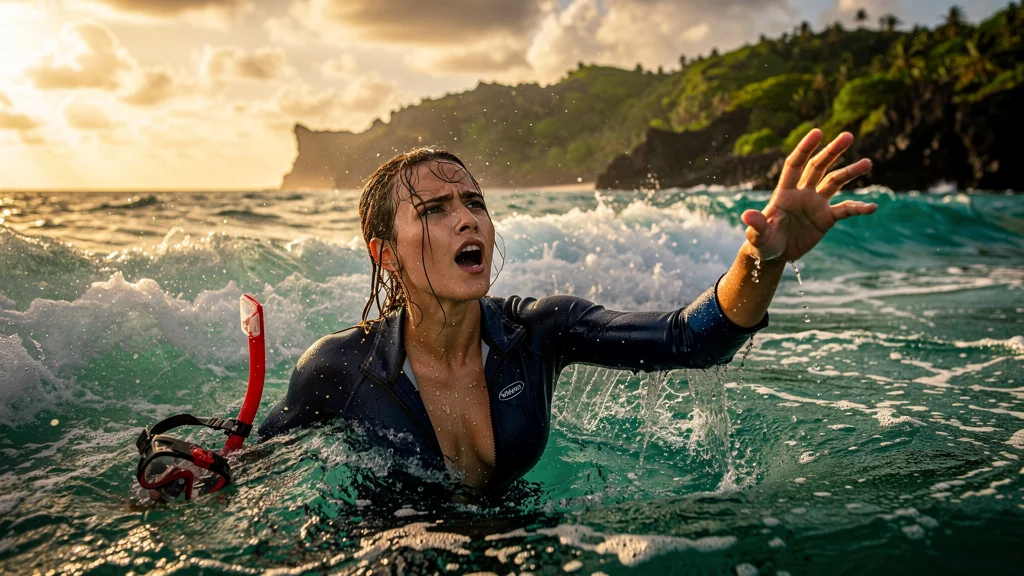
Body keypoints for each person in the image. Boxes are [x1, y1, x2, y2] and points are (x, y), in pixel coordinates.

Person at [258, 129, 876, 495]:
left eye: (474, 202)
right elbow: (257, 470)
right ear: (386, 255)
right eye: (434, 210)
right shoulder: (341, 367)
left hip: (519, 542)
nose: (467, 219)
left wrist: (761, 258)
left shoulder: (538, 332)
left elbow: (691, 339)